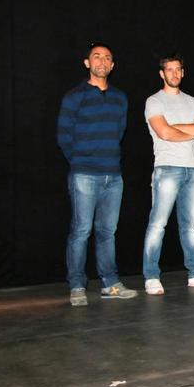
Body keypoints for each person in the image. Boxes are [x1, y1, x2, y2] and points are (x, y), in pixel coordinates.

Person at [57, 42, 137, 307]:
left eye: (107, 58)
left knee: (107, 232)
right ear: (87, 63)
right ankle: (77, 285)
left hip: (113, 175)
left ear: (112, 66)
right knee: (81, 230)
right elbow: (64, 136)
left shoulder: (120, 98)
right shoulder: (74, 96)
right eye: (96, 57)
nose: (102, 61)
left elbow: (119, 131)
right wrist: (81, 162)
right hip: (84, 174)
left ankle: (110, 283)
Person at [141, 54, 194, 295]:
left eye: (178, 69)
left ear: (183, 73)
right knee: (158, 224)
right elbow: (164, 133)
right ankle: (151, 276)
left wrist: (176, 128)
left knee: (189, 225)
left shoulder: (192, 101)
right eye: (170, 70)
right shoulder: (154, 101)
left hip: (193, 168)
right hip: (167, 167)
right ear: (162, 74)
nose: (174, 74)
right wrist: (187, 129)